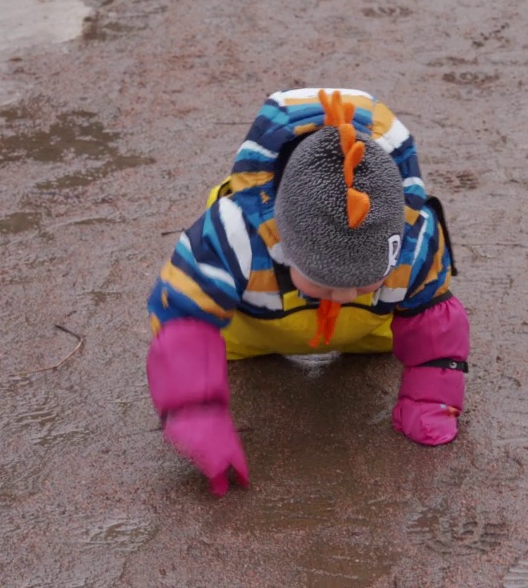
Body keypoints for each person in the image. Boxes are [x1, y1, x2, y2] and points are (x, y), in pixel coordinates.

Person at [146, 88, 471, 495]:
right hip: (250, 329)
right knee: (215, 338)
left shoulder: (416, 236)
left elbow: (433, 319)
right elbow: (183, 313)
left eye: (366, 281)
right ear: (282, 236)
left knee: (412, 323)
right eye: (322, 282)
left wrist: (430, 400)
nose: (344, 296)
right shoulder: (236, 231)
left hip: (369, 330)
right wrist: (194, 411)